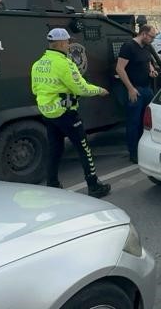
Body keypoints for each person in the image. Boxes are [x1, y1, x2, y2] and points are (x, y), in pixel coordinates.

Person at [30, 28, 111, 198]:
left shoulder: (38, 64)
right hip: (66, 113)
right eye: (67, 42)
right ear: (60, 43)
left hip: (48, 113)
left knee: (55, 149)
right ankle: (94, 185)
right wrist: (99, 90)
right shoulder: (65, 64)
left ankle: (52, 183)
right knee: (84, 149)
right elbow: (80, 88)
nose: (68, 45)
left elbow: (35, 89)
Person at [116, 25, 159, 163]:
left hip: (147, 89)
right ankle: (133, 153)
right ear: (144, 34)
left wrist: (151, 70)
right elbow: (120, 68)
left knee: (146, 122)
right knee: (133, 122)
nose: (152, 40)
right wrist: (130, 88)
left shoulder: (145, 47)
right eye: (152, 36)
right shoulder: (128, 46)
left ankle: (145, 149)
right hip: (135, 90)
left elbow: (147, 62)